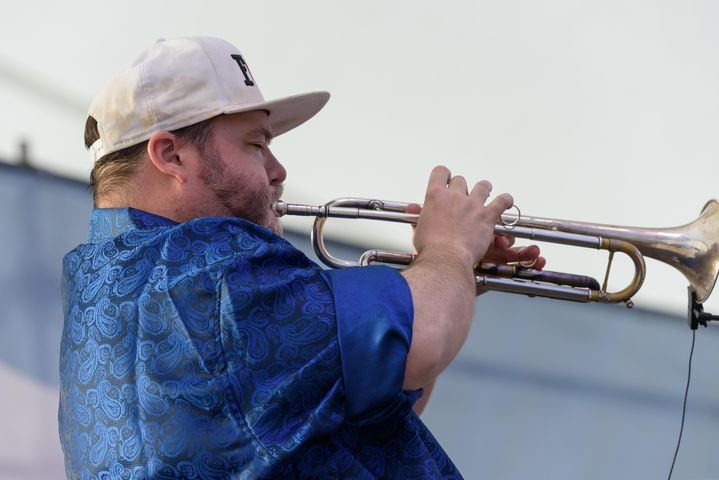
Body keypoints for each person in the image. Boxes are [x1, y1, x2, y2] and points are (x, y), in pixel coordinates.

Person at [59, 36, 544, 479]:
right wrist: (450, 247)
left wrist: (452, 276)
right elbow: (422, 339)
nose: (278, 169)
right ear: (172, 156)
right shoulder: (209, 270)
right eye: (256, 144)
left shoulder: (103, 289)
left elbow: (379, 396)